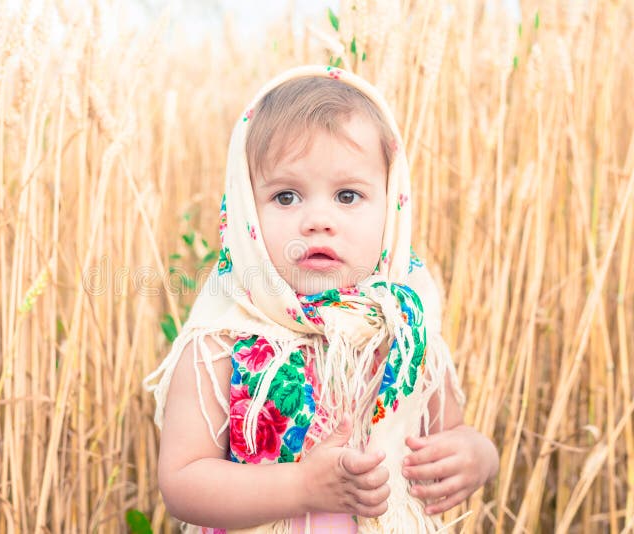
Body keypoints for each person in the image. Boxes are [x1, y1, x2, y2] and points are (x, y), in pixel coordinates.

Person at [144, 65, 498, 533]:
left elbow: (449, 431)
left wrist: (477, 455)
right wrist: (301, 488)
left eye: (348, 196)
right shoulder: (222, 339)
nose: (318, 220)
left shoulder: (403, 331)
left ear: (390, 207)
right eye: (286, 197)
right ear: (247, 209)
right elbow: (183, 483)